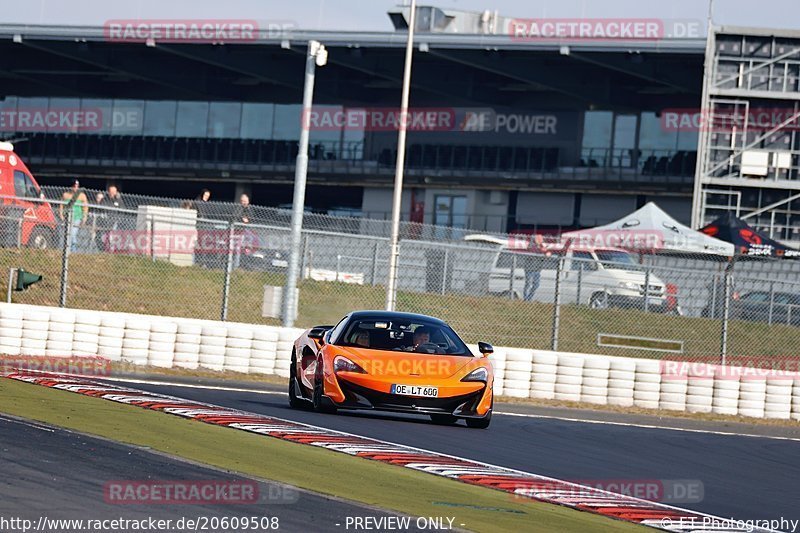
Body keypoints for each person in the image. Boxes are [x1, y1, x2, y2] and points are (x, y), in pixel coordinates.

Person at [59, 180, 89, 252]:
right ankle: (67, 250)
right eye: (74, 186)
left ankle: (73, 250)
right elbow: (61, 205)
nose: (76, 188)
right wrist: (61, 214)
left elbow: (85, 207)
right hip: (67, 218)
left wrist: (84, 217)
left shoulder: (81, 196)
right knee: (67, 234)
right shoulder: (66, 195)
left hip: (77, 217)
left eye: (77, 186)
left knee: (73, 234)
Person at [523, 233, 551, 301]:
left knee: (536, 285)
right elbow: (535, 250)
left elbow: (548, 254)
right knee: (528, 284)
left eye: (540, 239)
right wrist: (543, 248)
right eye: (537, 239)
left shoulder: (542, 247)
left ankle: (529, 298)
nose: (539, 240)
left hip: (537, 270)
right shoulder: (531, 246)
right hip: (529, 269)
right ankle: (525, 298)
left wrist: (546, 251)